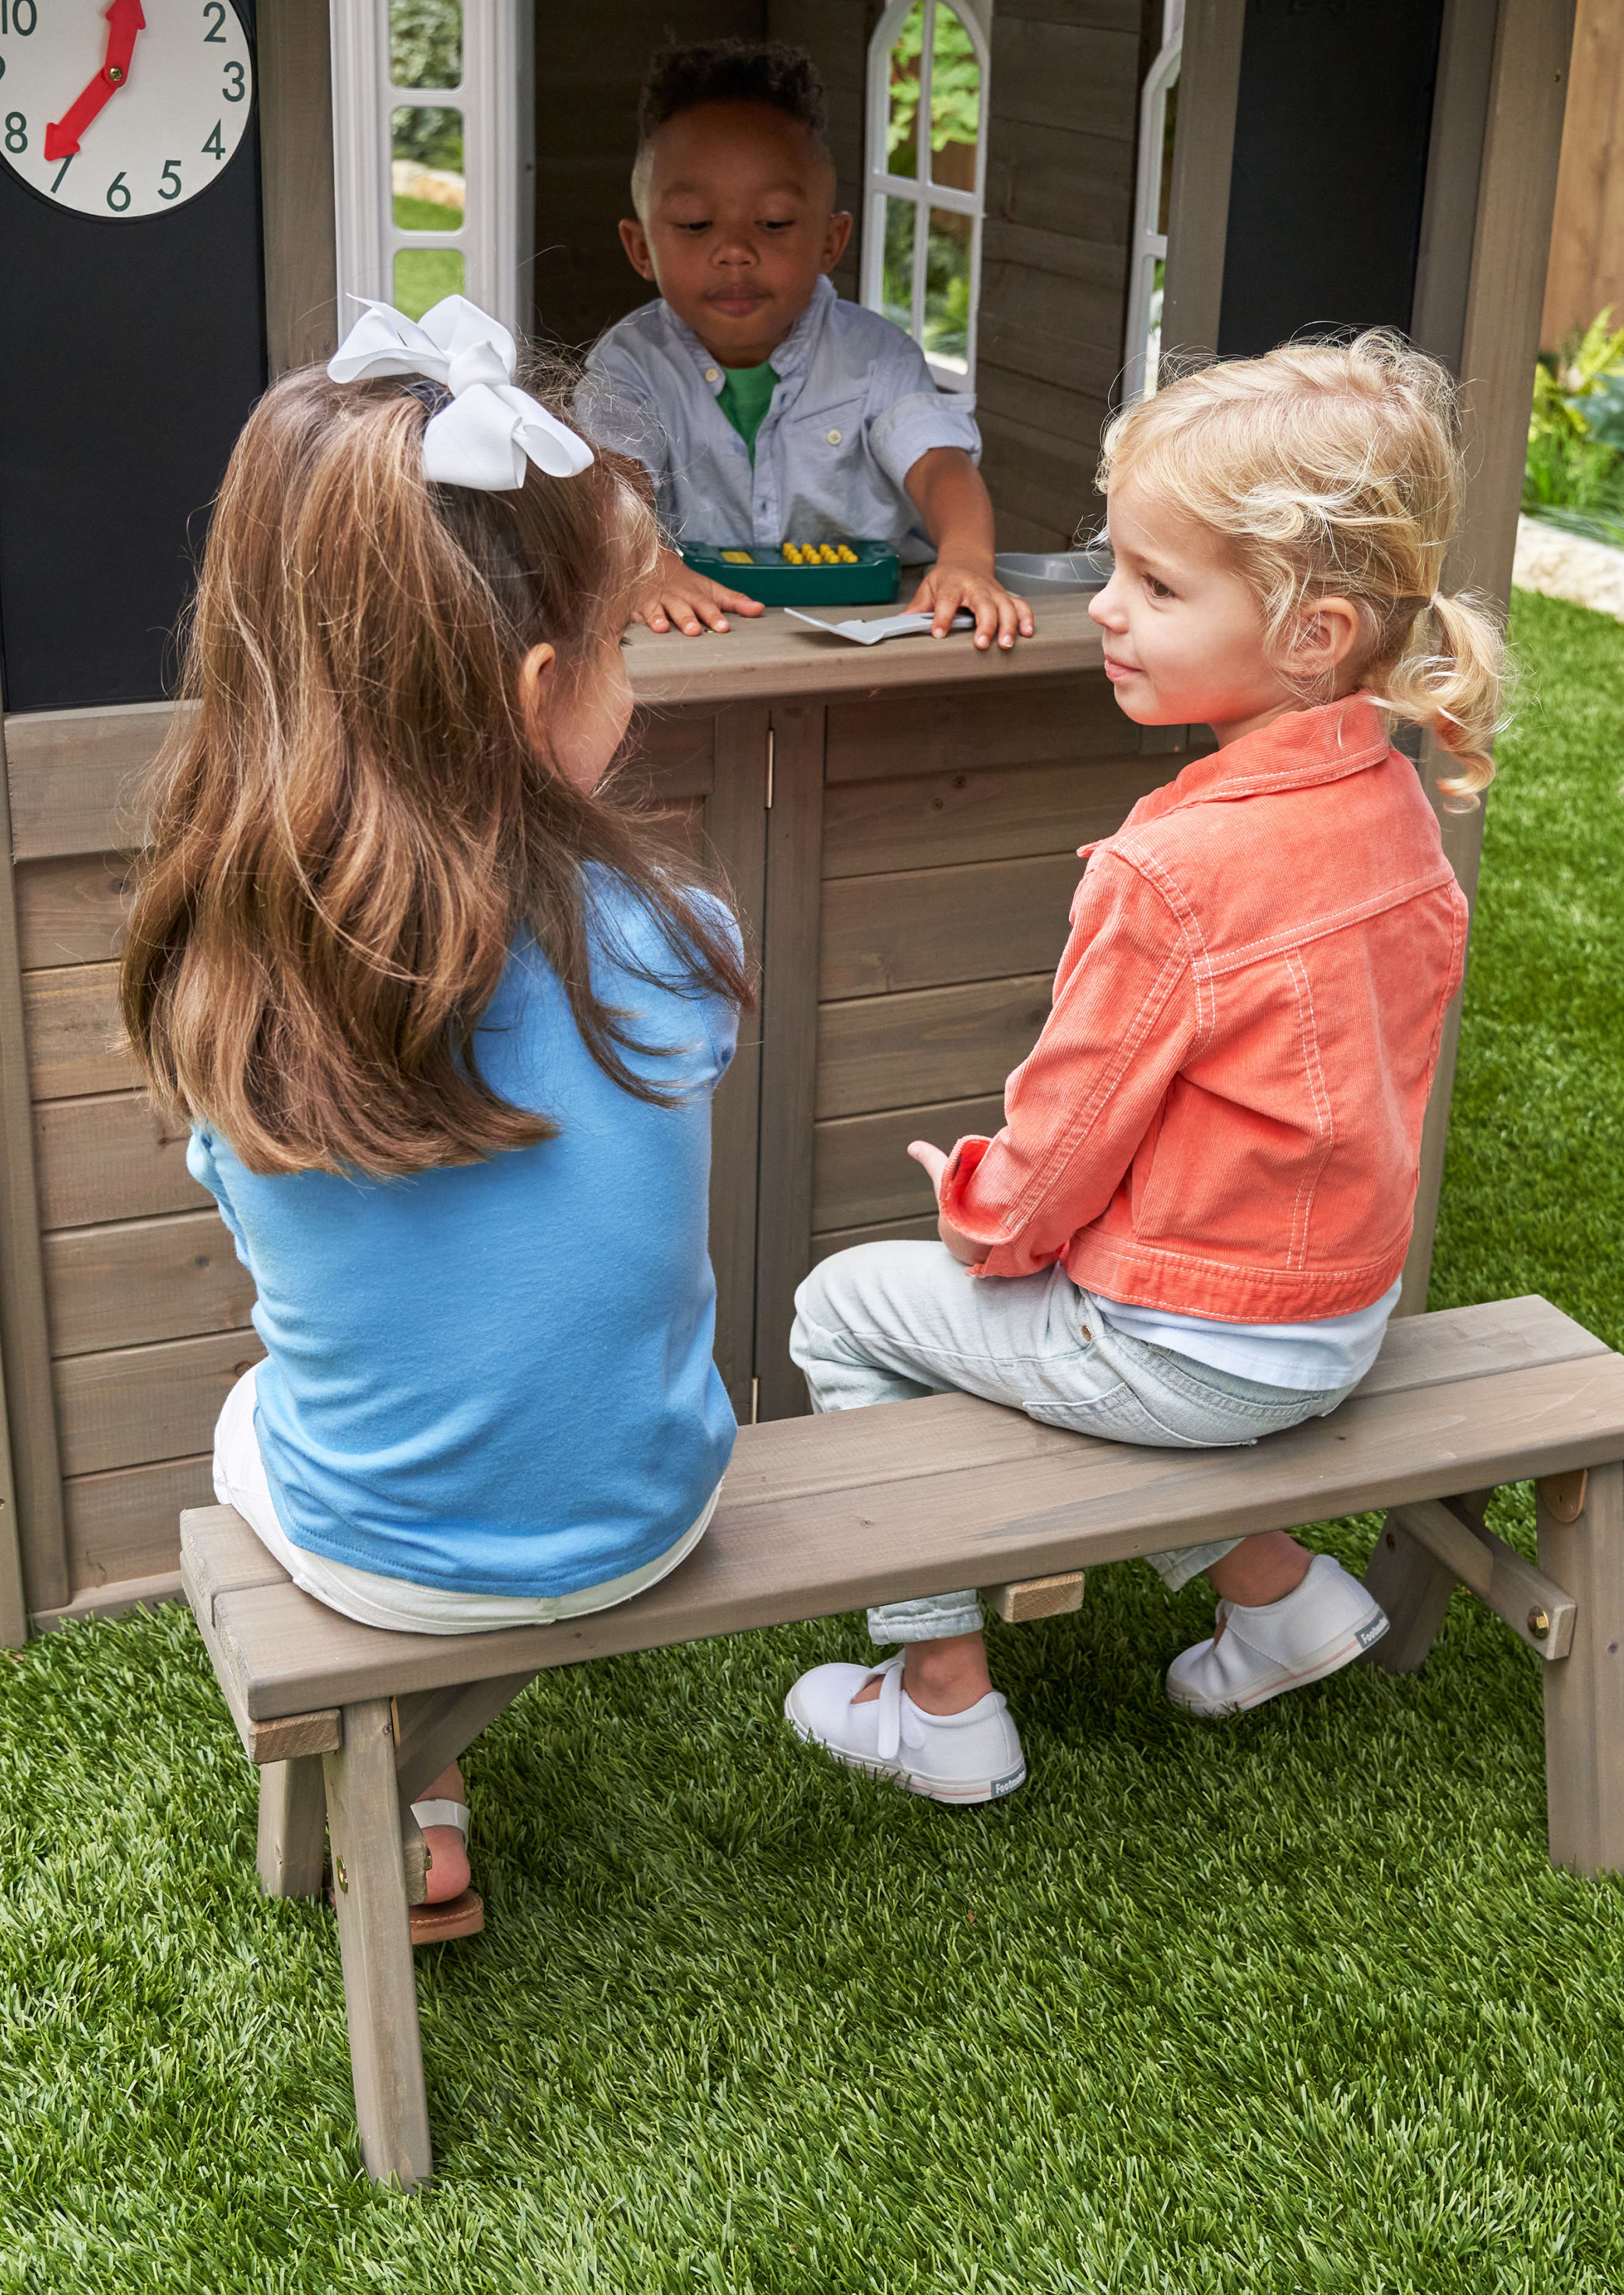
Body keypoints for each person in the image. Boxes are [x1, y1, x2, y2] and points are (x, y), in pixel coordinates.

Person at [782, 331, 1508, 1805]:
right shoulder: (1395, 805)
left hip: (1195, 1346)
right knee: (1060, 1339)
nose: (1106, 609)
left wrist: (981, 1214)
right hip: (1334, 1321)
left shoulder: (1172, 866)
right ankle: (1275, 1594)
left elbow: (1067, 1136)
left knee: (850, 1310)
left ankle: (940, 1699)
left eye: (1158, 587)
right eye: (1115, 569)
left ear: (1312, 633)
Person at [120, 298, 756, 1933]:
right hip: (655, 1510)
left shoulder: (228, 988)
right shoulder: (680, 947)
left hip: (382, 1556)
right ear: (546, 684)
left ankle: (418, 1800)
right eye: (620, 643)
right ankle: (426, 1771)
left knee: (263, 1401)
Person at [578, 38, 1033, 652]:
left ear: (831, 240)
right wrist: (644, 561)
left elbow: (940, 466)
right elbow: (614, 479)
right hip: (702, 650)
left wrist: (968, 561)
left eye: (773, 223)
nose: (734, 250)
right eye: (693, 224)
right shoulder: (628, 364)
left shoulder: (879, 358)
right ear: (640, 249)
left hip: (870, 658)